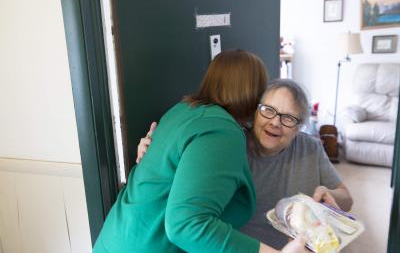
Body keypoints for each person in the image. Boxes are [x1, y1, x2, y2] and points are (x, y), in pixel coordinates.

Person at [93, 50, 306, 253]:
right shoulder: (221, 132)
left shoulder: (183, 110)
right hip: (148, 245)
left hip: (119, 237)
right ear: (252, 91)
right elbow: (187, 224)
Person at [136, 79, 353, 250]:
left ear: (299, 128)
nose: (276, 122)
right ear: (254, 113)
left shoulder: (311, 148)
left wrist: (330, 197)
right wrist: (151, 150)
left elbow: (346, 199)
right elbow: (177, 182)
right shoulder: (226, 147)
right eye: (268, 110)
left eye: (288, 118)